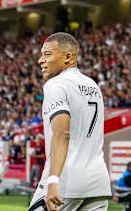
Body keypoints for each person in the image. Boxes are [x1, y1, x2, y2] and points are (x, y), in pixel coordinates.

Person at [30, 32, 111, 211]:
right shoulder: (93, 85)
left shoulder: (56, 84)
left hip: (67, 180)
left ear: (67, 56)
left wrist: (53, 181)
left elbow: (62, 133)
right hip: (98, 182)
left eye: (47, 54)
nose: (40, 60)